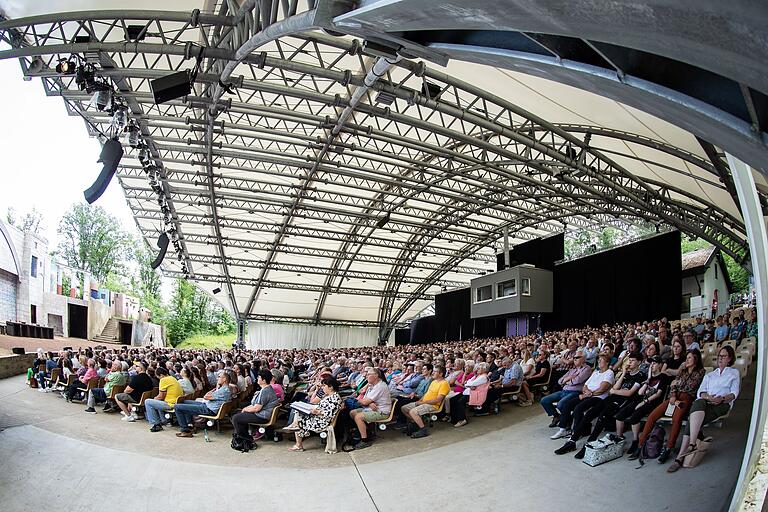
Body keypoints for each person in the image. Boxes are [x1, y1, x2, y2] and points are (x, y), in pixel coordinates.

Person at [667, 345, 740, 472]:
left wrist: (721, 399)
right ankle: (692, 444)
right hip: (707, 401)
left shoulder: (734, 373)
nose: (720, 359)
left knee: (692, 419)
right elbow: (700, 392)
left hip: (722, 404)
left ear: (730, 358)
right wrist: (707, 397)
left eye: (723, 356)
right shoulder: (711, 374)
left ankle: (680, 456)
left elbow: (734, 393)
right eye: (719, 356)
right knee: (698, 402)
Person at [633, 349, 706, 463]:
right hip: (674, 397)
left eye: (689, 358)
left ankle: (669, 447)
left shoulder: (701, 371)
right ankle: (640, 445)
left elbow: (691, 386)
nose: (686, 360)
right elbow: (673, 385)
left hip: (687, 398)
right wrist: (673, 395)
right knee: (652, 416)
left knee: (676, 419)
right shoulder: (683, 371)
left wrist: (677, 385)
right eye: (686, 358)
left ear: (696, 359)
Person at [553, 354, 615, 455]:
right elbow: (585, 385)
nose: (599, 362)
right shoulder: (595, 372)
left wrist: (588, 394)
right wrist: (586, 392)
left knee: (578, 408)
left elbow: (603, 389)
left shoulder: (609, 373)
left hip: (598, 398)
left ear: (607, 362)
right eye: (598, 360)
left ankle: (573, 437)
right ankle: (564, 429)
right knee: (567, 404)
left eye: (601, 360)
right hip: (587, 395)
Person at [617, 355, 670, 455]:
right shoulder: (648, 377)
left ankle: (635, 440)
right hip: (641, 399)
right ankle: (618, 439)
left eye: (654, 363)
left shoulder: (663, 377)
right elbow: (640, 393)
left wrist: (644, 402)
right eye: (651, 364)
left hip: (653, 402)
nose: (651, 366)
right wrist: (649, 378)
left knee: (635, 417)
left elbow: (658, 394)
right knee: (622, 413)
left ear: (659, 365)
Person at [289, 376, 343, 451]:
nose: (323, 387)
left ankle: (298, 444)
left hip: (322, 422)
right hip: (320, 418)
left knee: (299, 419)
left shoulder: (334, 399)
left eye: (324, 386)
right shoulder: (330, 396)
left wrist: (316, 411)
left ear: (330, 387)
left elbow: (328, 414)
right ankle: (295, 428)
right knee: (299, 411)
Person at [541, 352, 592, 429]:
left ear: (583, 359)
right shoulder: (572, 369)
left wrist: (566, 381)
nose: (574, 359)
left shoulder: (587, 368)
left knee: (560, 404)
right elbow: (559, 381)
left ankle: (568, 420)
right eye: (574, 357)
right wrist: (569, 378)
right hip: (564, 390)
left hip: (575, 392)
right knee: (544, 400)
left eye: (577, 357)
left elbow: (577, 380)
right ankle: (556, 416)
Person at [401, 365, 450, 438]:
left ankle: (423, 430)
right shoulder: (434, 382)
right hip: (424, 402)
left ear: (441, 374)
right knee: (404, 408)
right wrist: (419, 401)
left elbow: (438, 400)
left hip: (433, 405)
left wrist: (422, 403)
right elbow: (427, 394)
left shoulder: (444, 384)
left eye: (435, 371)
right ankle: (416, 424)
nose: (432, 373)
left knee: (412, 412)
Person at [229, 369, 278, 441]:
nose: (257, 378)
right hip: (263, 414)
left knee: (236, 418)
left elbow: (256, 408)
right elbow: (254, 405)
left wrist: (245, 409)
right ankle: (244, 435)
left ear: (264, 380)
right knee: (236, 414)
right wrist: (246, 409)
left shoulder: (265, 391)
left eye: (259, 377)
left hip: (262, 416)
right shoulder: (267, 389)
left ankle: (245, 438)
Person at [349, 368, 392, 449]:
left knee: (358, 417)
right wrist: (370, 402)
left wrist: (366, 402)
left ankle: (364, 441)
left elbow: (364, 402)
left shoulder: (380, 386)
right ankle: (367, 432)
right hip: (371, 408)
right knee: (352, 412)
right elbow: (365, 399)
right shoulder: (371, 385)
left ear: (376, 376)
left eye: (369, 374)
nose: (366, 376)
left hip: (381, 412)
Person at [143, 366, 184, 432]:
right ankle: (164, 420)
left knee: (147, 402)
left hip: (170, 404)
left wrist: (154, 399)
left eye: (158, 377)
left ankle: (156, 424)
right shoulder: (173, 378)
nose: (158, 379)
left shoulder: (164, 380)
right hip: (176, 401)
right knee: (155, 402)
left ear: (161, 375)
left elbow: (161, 397)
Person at [450, 362, 489, 427]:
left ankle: (462, 419)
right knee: (453, 399)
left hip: (475, 394)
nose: (477, 370)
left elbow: (470, 384)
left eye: (479, 368)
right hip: (468, 392)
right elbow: (467, 383)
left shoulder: (484, 377)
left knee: (460, 402)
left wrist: (469, 384)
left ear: (484, 370)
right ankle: (454, 418)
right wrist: (469, 385)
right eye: (477, 368)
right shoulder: (477, 376)